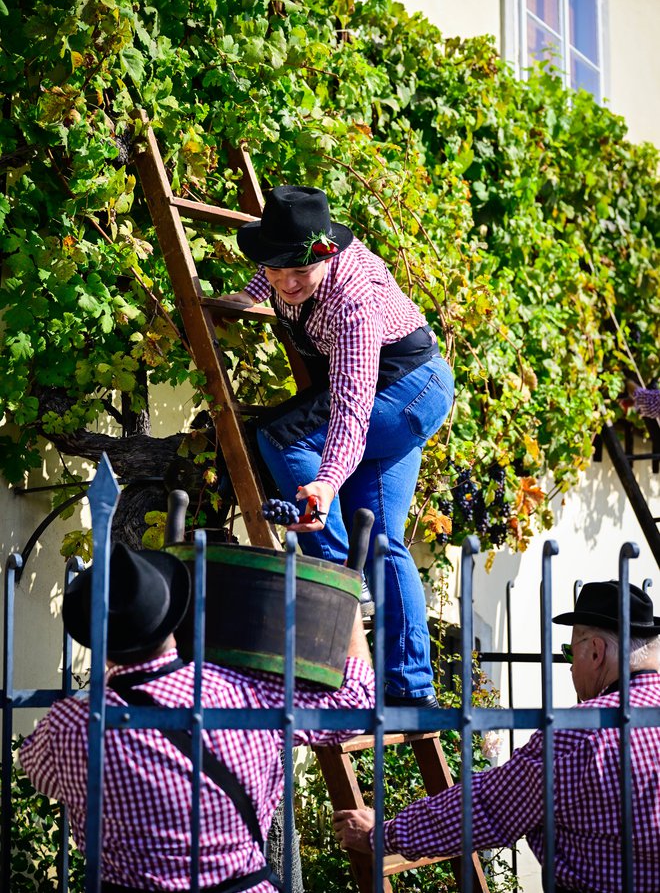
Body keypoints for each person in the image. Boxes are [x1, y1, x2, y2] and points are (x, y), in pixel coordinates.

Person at [20, 542, 375, 893]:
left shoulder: (71, 726)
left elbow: (39, 773)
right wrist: (350, 610)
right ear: (176, 614)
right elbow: (357, 706)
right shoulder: (246, 693)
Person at [220, 185, 454, 707]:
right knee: (384, 539)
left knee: (284, 436)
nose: (288, 282)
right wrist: (251, 294)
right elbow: (277, 264)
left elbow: (349, 408)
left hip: (404, 386)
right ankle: (410, 687)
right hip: (416, 389)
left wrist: (325, 484)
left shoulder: (352, 303)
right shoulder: (287, 265)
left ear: (326, 252)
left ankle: (335, 576)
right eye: (276, 272)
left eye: (298, 271)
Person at [333, 580, 660, 893]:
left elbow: (487, 808)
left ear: (596, 652)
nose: (571, 668)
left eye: (569, 653)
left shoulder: (583, 732)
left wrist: (382, 834)